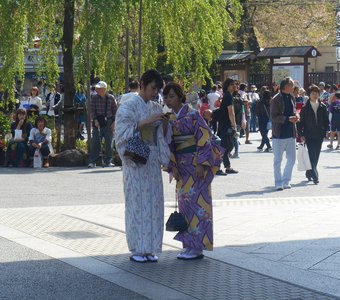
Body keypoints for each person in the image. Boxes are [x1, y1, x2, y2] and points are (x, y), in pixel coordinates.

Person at [115, 69, 170, 263]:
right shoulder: (127, 106)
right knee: (137, 203)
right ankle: (138, 248)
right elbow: (120, 134)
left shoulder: (156, 107)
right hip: (136, 160)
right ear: (142, 84)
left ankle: (151, 247)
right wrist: (143, 123)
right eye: (153, 88)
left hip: (152, 160)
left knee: (154, 203)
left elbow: (163, 136)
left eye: (157, 89)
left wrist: (164, 125)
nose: (155, 93)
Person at [163, 82, 223, 260]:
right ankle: (188, 245)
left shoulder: (193, 115)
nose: (168, 99)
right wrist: (172, 166)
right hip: (181, 167)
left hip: (196, 165)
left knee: (199, 205)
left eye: (172, 96)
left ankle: (198, 247)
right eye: (166, 96)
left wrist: (201, 163)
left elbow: (205, 137)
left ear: (181, 96)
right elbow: (169, 143)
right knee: (185, 205)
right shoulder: (170, 118)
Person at [270, 77, 299, 191]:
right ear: (285, 87)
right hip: (279, 133)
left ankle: (286, 180)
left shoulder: (291, 97)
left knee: (292, 159)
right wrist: (287, 119)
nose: (293, 87)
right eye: (291, 85)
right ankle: (278, 182)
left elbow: (293, 111)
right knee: (278, 160)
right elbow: (273, 117)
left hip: (291, 133)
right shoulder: (276, 99)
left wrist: (296, 115)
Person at [297, 85, 328, 184]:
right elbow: (300, 123)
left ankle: (309, 171)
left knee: (316, 155)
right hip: (308, 134)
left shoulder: (323, 107)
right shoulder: (305, 108)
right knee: (311, 154)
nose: (315, 95)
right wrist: (301, 134)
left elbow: (326, 121)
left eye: (317, 93)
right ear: (309, 95)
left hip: (319, 134)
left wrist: (325, 131)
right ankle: (315, 175)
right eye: (313, 93)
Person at [88, 81, 117, 168]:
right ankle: (93, 161)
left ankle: (108, 161)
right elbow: (92, 110)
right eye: (97, 88)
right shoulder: (94, 98)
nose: (97, 89)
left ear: (104, 89)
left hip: (109, 122)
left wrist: (114, 122)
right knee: (96, 142)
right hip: (98, 122)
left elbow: (115, 111)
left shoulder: (111, 98)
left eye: (99, 88)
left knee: (109, 142)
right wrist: (95, 120)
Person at [217, 78, 238, 174]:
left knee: (226, 145)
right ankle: (217, 166)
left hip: (223, 123)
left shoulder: (227, 95)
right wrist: (234, 126)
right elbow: (231, 112)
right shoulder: (228, 96)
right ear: (228, 85)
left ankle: (226, 166)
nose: (234, 86)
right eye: (232, 84)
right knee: (226, 146)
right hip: (226, 124)